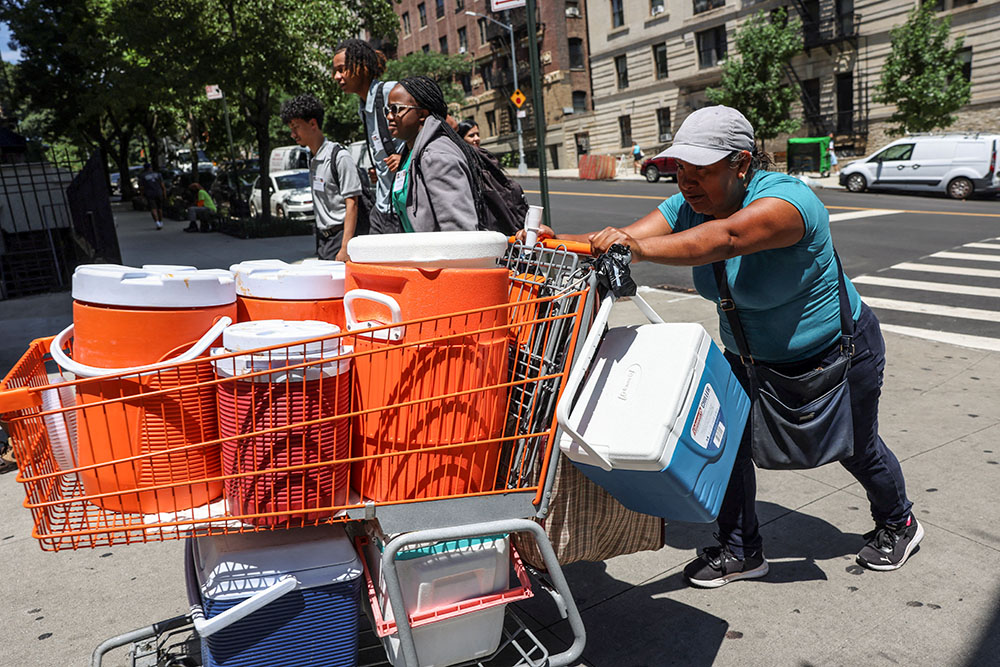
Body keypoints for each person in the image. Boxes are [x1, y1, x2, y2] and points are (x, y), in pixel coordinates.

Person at [527, 105, 921, 587]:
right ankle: (741, 549)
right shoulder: (688, 205)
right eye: (681, 171)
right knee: (725, 443)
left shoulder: (787, 202)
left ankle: (899, 521)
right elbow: (621, 237)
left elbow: (727, 237)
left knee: (855, 447)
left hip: (834, 353)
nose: (687, 183)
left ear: (742, 162)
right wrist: (552, 244)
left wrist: (633, 248)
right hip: (747, 358)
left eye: (702, 171)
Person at [385, 76, 482, 232]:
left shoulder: (437, 156)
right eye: (388, 110)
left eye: (396, 109)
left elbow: (459, 230)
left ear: (422, 114)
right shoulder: (410, 153)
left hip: (440, 256)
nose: (389, 116)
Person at [332, 39, 407, 234]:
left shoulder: (391, 92)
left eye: (342, 69)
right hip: (382, 209)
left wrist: (406, 159)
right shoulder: (363, 108)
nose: (336, 77)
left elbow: (441, 125)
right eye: (335, 71)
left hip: (404, 210)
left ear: (362, 66)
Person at [280, 94, 361, 261]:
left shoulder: (339, 157)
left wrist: (345, 248)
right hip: (323, 240)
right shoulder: (313, 158)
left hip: (340, 238)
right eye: (291, 129)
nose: (293, 134)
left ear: (313, 124)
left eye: (296, 127)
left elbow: (352, 202)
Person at [140, 163, 167, 230]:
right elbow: (162, 185)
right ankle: (161, 221)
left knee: (153, 208)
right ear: (151, 167)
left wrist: (142, 195)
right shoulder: (158, 174)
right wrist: (164, 193)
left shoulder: (143, 176)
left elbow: (142, 187)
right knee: (160, 208)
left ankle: (157, 222)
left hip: (150, 193)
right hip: (159, 192)